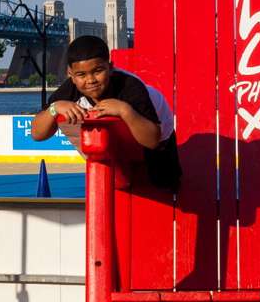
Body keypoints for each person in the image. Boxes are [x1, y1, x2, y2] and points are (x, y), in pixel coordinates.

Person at [31, 35, 181, 191]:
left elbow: (152, 140)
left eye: (98, 71)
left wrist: (125, 110)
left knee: (164, 187)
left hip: (160, 141)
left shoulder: (130, 87)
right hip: (123, 144)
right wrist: (54, 109)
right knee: (115, 184)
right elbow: (36, 134)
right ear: (71, 75)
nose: (90, 80)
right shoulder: (70, 89)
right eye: (81, 75)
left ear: (110, 67)